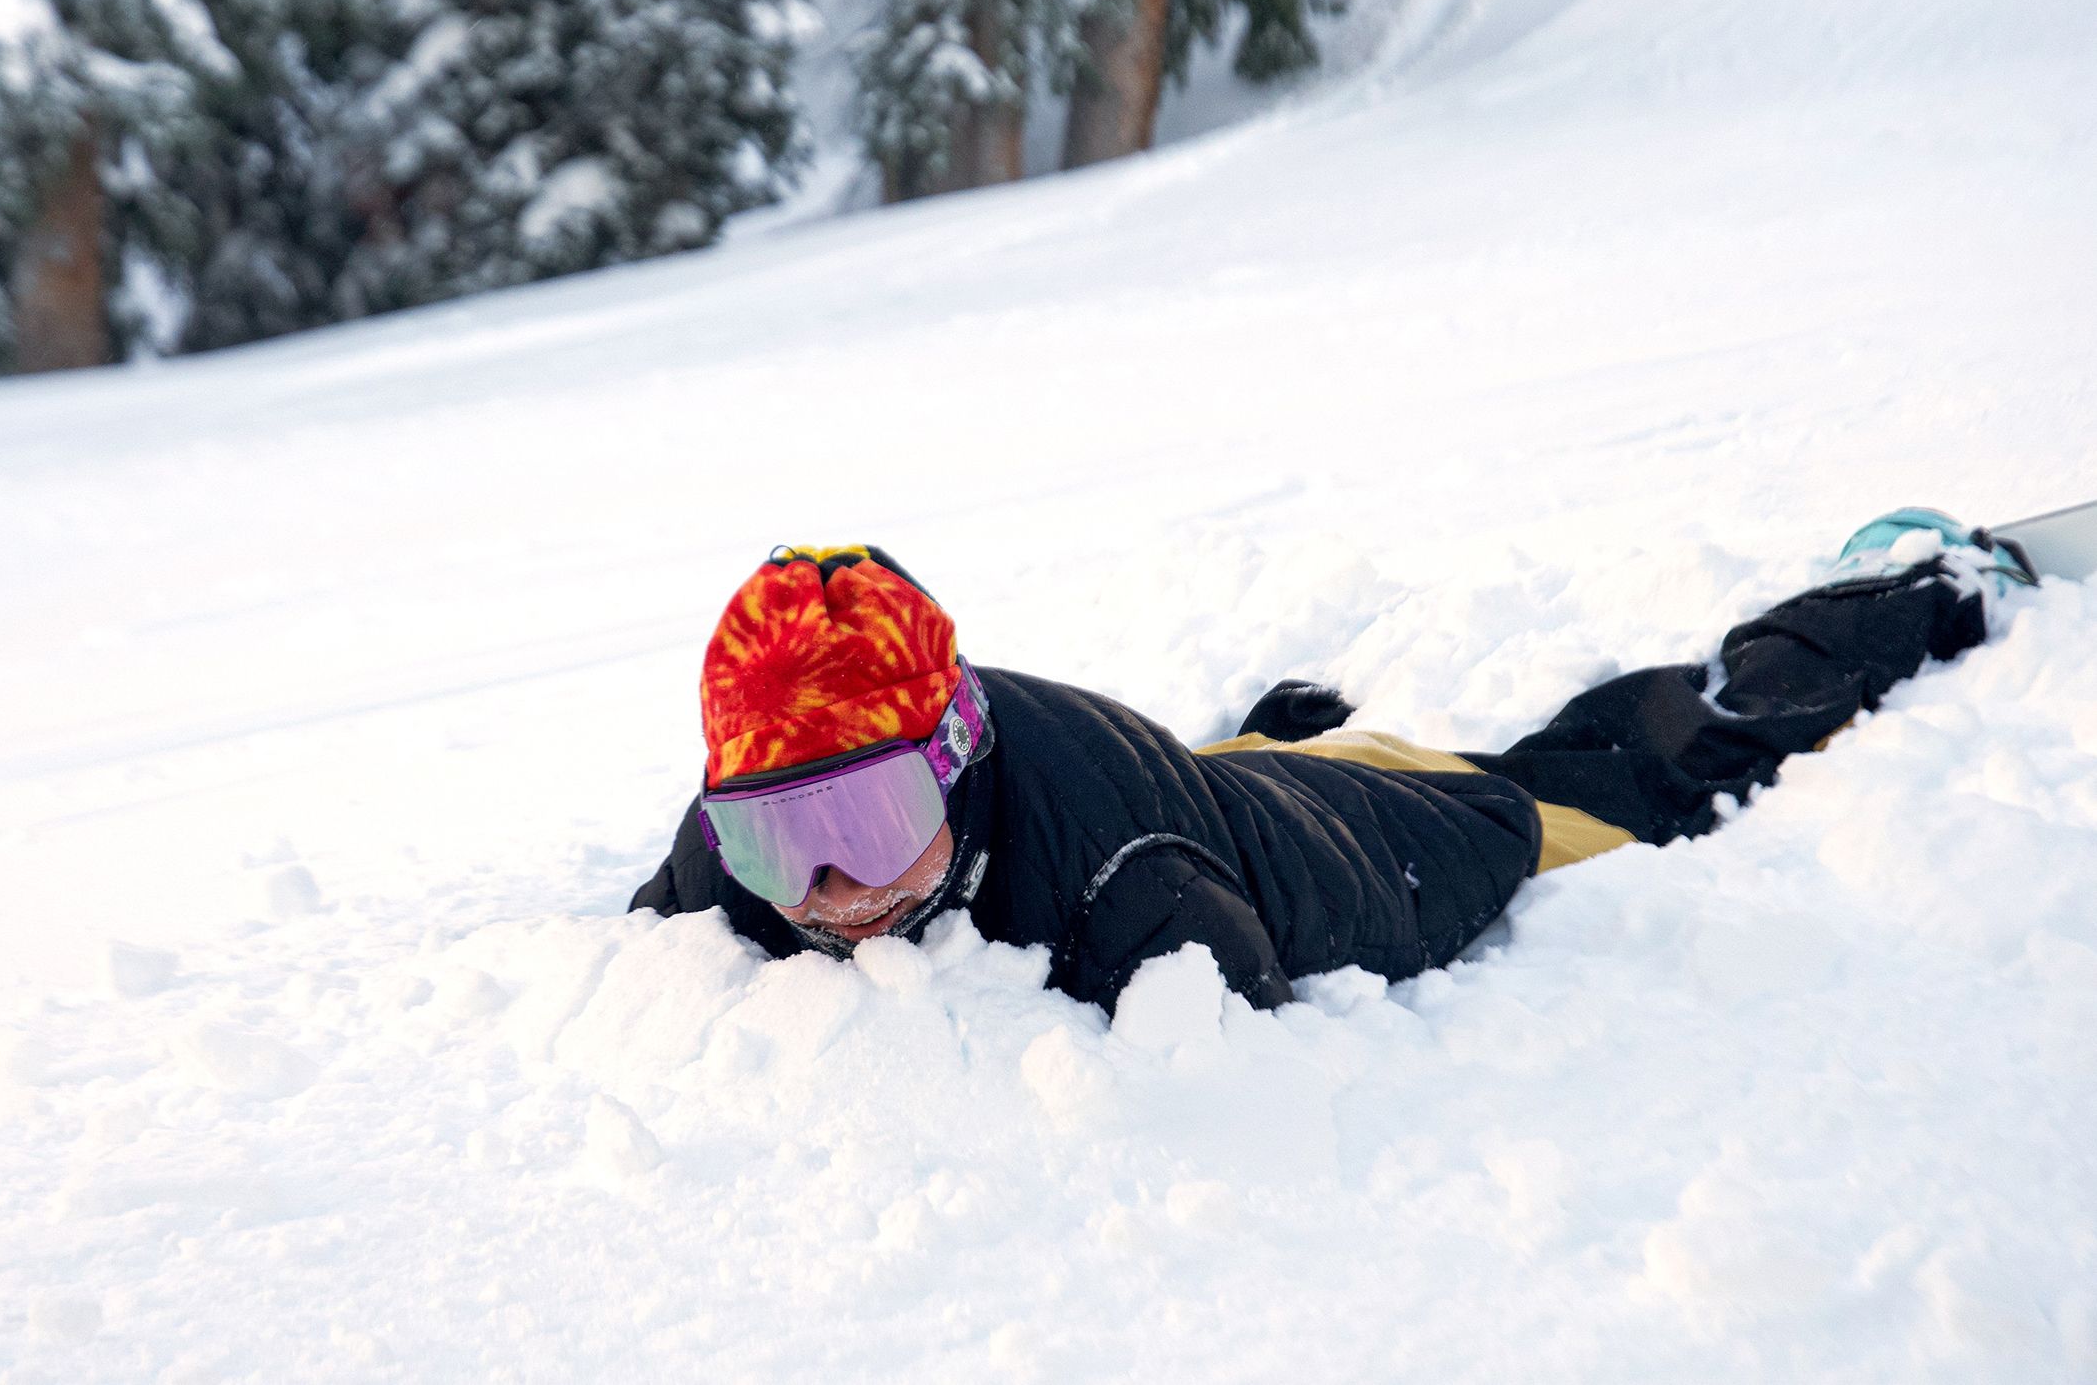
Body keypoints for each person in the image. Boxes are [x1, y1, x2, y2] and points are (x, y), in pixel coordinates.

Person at [631, 511, 2038, 1013]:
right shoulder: (748, 842)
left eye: (867, 820)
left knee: (1628, 780)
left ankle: (1912, 596)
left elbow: (1229, 1052)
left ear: (954, 757)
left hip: (1398, 834)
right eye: (770, 835)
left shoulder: (1140, 896)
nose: (818, 886)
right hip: (1224, 778)